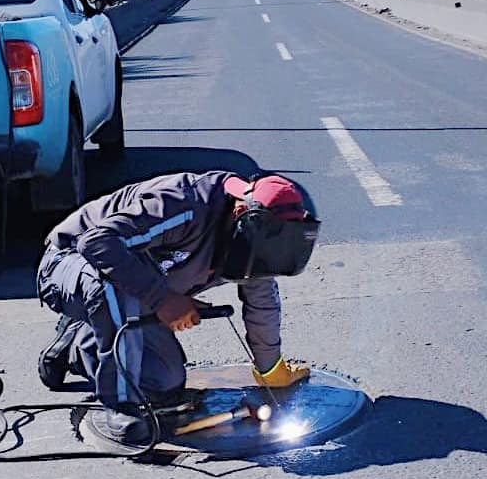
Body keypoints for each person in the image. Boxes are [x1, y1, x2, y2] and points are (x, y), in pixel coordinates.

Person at [36, 171, 320, 444]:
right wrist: (163, 299)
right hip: (68, 262)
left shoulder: (257, 241)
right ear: (239, 215)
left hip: (131, 289)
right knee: (105, 287)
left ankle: (77, 343)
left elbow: (262, 303)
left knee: (164, 381)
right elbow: (97, 243)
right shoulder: (185, 205)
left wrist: (270, 369)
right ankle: (121, 405)